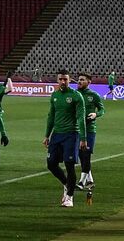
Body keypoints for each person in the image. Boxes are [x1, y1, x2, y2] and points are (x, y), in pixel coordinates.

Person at [45, 69, 87, 208]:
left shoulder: (76, 96)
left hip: (71, 134)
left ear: (70, 80)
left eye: (65, 79)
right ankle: (66, 184)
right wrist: (47, 135)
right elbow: (51, 116)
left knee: (69, 166)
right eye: (60, 79)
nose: (63, 82)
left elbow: (81, 118)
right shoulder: (55, 95)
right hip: (57, 134)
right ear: (57, 80)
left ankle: (69, 197)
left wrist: (83, 138)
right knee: (51, 164)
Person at [75, 73, 105, 191]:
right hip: (77, 129)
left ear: (89, 82)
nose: (79, 82)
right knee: (81, 155)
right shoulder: (76, 95)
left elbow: (102, 110)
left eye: (82, 80)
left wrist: (95, 114)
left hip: (90, 129)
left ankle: (82, 182)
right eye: (78, 80)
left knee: (86, 154)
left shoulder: (94, 95)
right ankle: (90, 180)